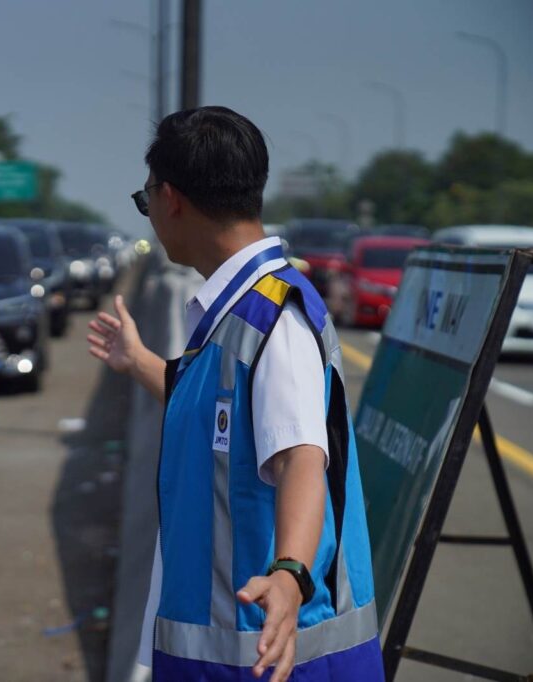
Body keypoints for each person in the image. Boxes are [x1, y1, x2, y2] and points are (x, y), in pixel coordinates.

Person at [87, 107, 384, 682]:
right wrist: (141, 362)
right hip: (224, 655)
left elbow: (303, 454)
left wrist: (290, 573)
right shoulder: (235, 316)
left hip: (272, 656)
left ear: (170, 197)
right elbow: (218, 423)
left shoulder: (275, 316)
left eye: (146, 200)